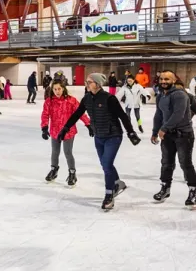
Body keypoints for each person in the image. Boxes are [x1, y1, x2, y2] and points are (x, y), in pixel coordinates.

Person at [59, 73, 140, 210]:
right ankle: (117, 183)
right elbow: (77, 114)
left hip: (113, 135)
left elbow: (122, 116)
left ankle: (109, 195)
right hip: (99, 136)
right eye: (86, 81)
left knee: (107, 165)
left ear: (97, 84)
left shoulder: (109, 98)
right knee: (105, 164)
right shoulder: (87, 98)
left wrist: (131, 132)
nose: (87, 84)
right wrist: (65, 128)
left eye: (89, 82)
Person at [151, 71, 196, 208]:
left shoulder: (180, 95)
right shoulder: (161, 96)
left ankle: (194, 192)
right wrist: (155, 131)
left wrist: (163, 129)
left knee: (185, 163)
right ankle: (165, 187)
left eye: (167, 79)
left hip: (183, 135)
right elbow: (158, 115)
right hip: (168, 135)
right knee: (166, 163)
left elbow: (178, 114)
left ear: (174, 80)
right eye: (161, 79)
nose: (163, 81)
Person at [41, 80, 91, 186]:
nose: (57, 91)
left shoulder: (71, 100)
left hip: (68, 131)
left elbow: (80, 113)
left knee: (67, 152)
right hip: (55, 130)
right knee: (55, 151)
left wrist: (88, 124)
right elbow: (45, 114)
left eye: (59, 89)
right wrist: (44, 128)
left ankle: (72, 173)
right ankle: (54, 170)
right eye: (55, 89)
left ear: (63, 88)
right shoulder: (49, 101)